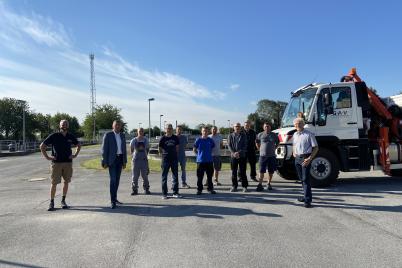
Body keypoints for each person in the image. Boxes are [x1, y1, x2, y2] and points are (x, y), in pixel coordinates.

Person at [40, 120, 81, 211]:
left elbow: (78, 145)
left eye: (66, 124)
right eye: (63, 124)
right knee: (54, 183)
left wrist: (75, 155)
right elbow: (42, 146)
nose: (64, 126)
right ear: (59, 126)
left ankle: (63, 201)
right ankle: (51, 202)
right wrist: (47, 157)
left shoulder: (70, 136)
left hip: (68, 163)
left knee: (66, 182)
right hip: (56, 163)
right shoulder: (54, 136)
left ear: (68, 126)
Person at [292, 118, 319, 208]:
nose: (297, 125)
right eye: (295, 124)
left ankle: (307, 201)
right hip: (297, 159)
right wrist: (293, 152)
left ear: (303, 124)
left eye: (299, 123)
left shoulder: (309, 134)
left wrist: (309, 158)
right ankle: (306, 196)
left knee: (306, 179)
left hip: (305, 158)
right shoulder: (295, 134)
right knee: (302, 179)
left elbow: (316, 148)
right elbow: (294, 144)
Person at [101, 120, 127, 209]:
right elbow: (104, 149)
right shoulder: (108, 135)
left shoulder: (122, 135)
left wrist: (125, 161)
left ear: (121, 126)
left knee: (117, 180)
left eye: (119, 125)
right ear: (113, 126)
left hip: (120, 159)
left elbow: (124, 149)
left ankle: (115, 198)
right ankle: (112, 201)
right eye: (116, 125)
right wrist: (104, 161)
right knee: (113, 180)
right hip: (112, 160)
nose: (118, 126)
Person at [159, 123, 182, 199]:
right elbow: (160, 149)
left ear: (172, 129)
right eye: (167, 128)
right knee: (164, 177)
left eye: (170, 128)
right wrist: (164, 155)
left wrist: (174, 155)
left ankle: (175, 193)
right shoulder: (162, 138)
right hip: (165, 160)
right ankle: (164, 194)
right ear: (165, 129)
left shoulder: (175, 138)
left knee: (175, 176)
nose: (169, 129)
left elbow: (177, 148)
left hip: (174, 159)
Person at [255, 123, 279, 191]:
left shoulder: (274, 135)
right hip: (262, 156)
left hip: (271, 156)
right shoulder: (260, 134)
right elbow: (256, 142)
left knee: (271, 171)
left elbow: (278, 142)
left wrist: (275, 148)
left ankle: (268, 183)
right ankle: (260, 184)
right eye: (265, 126)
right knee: (261, 171)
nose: (267, 128)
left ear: (270, 127)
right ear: (263, 127)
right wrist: (259, 149)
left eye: (268, 126)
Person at [193, 127, 216, 195]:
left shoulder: (210, 140)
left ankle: (210, 189)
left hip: (209, 161)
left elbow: (212, 147)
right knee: (200, 176)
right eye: (203, 131)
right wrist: (199, 155)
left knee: (209, 176)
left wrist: (208, 154)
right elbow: (194, 149)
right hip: (200, 161)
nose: (205, 132)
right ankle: (199, 189)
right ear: (201, 132)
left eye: (206, 131)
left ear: (208, 132)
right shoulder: (198, 140)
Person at [228, 122, 248, 192]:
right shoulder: (230, 135)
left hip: (242, 156)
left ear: (240, 127)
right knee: (234, 172)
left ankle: (244, 186)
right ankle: (234, 186)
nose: (237, 127)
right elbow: (229, 146)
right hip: (233, 156)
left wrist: (238, 152)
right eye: (236, 126)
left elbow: (245, 146)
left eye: (238, 126)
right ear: (233, 127)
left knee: (243, 172)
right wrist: (234, 153)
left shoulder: (244, 135)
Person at [130, 128, 151, 195]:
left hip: (144, 160)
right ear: (137, 132)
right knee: (135, 176)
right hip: (136, 160)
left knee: (145, 175)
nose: (141, 132)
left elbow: (147, 149)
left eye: (142, 131)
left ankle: (146, 189)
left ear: (143, 132)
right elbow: (131, 149)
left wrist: (144, 156)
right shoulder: (134, 140)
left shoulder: (146, 140)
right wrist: (134, 156)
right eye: (139, 131)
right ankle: (134, 189)